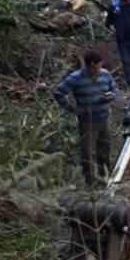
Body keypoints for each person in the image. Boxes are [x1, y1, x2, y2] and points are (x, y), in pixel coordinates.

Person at [52, 47, 120, 187]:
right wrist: (71, 109)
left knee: (104, 147)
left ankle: (105, 178)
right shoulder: (75, 78)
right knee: (88, 151)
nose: (98, 70)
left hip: (103, 116)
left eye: (100, 66)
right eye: (95, 68)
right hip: (87, 119)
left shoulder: (105, 74)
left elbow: (115, 89)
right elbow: (58, 92)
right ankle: (90, 182)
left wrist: (111, 96)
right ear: (89, 65)